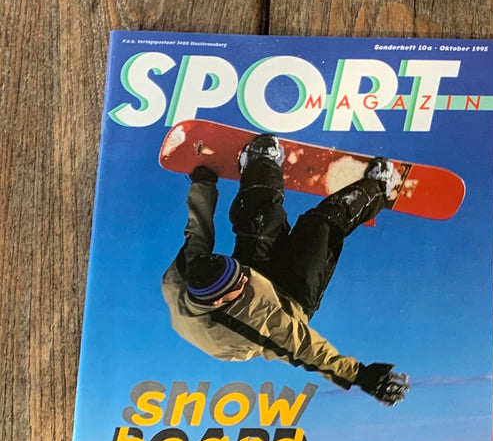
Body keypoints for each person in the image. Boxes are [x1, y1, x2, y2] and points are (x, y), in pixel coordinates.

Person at [162, 133, 410, 406]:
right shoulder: (254, 323)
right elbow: (306, 350)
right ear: (220, 301)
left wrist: (203, 184)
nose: (244, 278)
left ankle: (260, 163)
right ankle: (380, 187)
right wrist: (360, 376)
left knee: (257, 221)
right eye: (239, 284)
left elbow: (198, 233)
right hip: (291, 298)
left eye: (237, 272)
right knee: (322, 225)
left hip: (256, 271)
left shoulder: (184, 275)